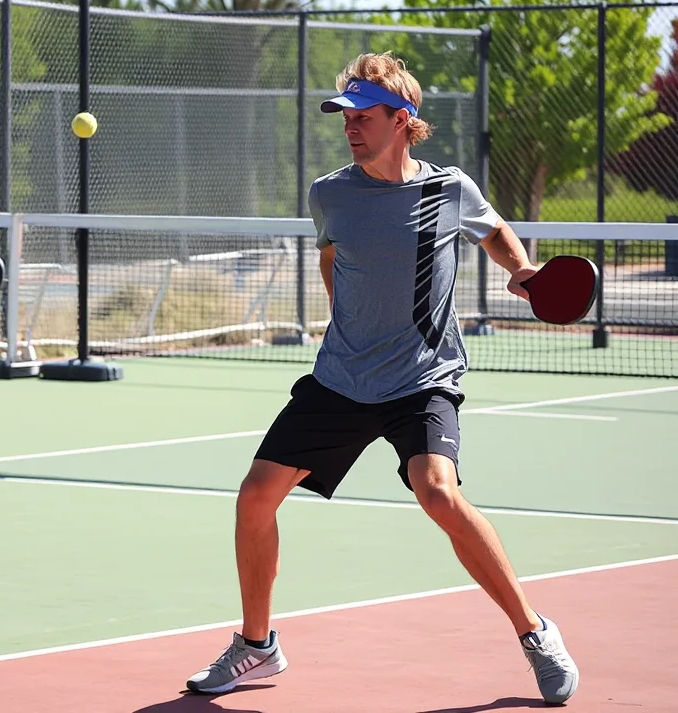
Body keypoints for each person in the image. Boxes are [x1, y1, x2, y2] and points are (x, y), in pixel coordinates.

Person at [185, 53, 580, 705]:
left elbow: (495, 231)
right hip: (342, 378)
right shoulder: (329, 193)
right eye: (344, 118)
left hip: (422, 378)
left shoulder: (449, 190)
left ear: (402, 120)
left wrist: (522, 271)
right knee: (255, 495)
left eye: (362, 117)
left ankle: (535, 632)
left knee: (437, 493)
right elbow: (332, 256)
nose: (349, 128)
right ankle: (257, 646)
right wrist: (345, 320)